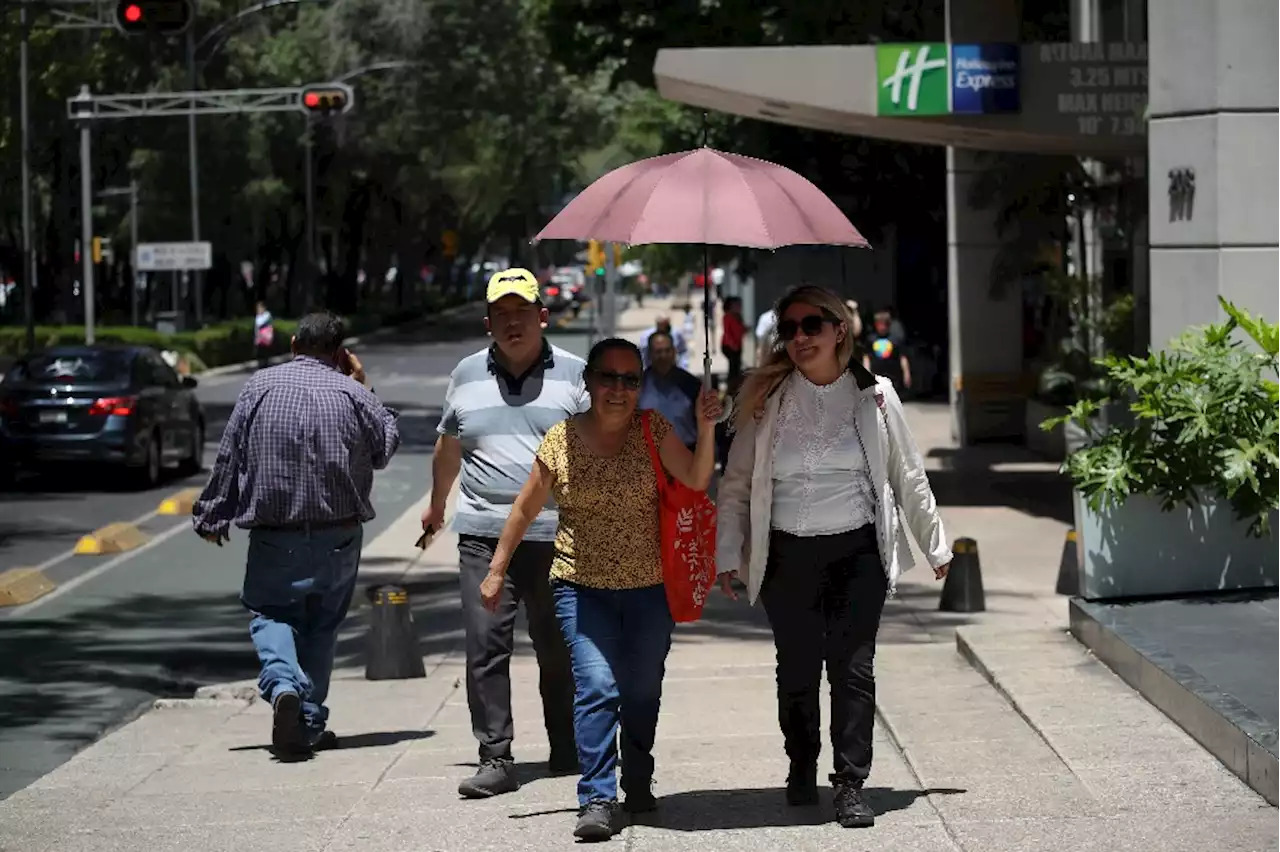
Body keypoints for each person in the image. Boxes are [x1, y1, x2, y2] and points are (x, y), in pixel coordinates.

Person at [716, 285, 952, 829]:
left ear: (839, 329)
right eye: (789, 328)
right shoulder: (765, 400)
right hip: (785, 555)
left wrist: (934, 543)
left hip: (856, 551)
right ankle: (802, 762)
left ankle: (850, 783)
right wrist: (729, 553)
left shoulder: (875, 395)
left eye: (811, 326)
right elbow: (736, 485)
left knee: (853, 669)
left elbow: (907, 475)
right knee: (796, 671)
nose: (798, 337)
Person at [483, 338, 721, 841]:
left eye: (630, 379)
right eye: (608, 378)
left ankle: (637, 774)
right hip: (579, 586)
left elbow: (697, 481)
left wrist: (705, 427)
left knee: (641, 691)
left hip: (650, 589)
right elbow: (525, 509)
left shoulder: (654, 430)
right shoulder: (560, 440)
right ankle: (596, 797)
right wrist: (497, 568)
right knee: (596, 687)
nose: (619, 389)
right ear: (588, 381)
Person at [193, 311, 401, 756]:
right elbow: (384, 447)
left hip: (275, 533)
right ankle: (308, 720)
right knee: (322, 627)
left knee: (271, 613)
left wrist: (213, 515)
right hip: (339, 535)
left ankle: (284, 683)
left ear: (292, 345)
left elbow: (230, 455)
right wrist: (364, 385)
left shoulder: (259, 387)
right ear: (341, 354)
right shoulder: (352, 393)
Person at [422, 267, 586, 799]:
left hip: (556, 536)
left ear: (543, 315)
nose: (512, 323)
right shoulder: (465, 374)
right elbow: (449, 445)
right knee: (484, 645)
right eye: (501, 314)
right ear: (487, 321)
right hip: (482, 534)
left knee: (557, 646)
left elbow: (599, 449)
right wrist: (436, 506)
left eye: (522, 313)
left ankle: (567, 745)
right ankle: (496, 756)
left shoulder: (576, 374)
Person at [638, 330, 702, 450]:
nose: (663, 356)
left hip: (686, 453)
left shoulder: (691, 384)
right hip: (650, 456)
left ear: (674, 352)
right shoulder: (638, 386)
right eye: (658, 352)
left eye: (667, 350)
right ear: (650, 354)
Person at [863, 306, 911, 394]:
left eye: (885, 324)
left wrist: (906, 373)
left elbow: (902, 357)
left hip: (893, 376)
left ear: (889, 324)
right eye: (879, 324)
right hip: (876, 375)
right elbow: (866, 356)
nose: (882, 327)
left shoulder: (895, 340)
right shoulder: (871, 339)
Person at [721, 296, 746, 385]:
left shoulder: (738, 317)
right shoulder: (727, 317)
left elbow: (740, 330)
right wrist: (733, 345)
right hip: (729, 346)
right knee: (733, 367)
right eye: (737, 305)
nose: (739, 307)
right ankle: (731, 385)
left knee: (737, 366)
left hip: (738, 345)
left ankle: (736, 385)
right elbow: (727, 333)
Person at [253, 301, 274, 370]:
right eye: (258, 308)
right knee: (259, 353)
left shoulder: (267, 315)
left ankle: (265, 365)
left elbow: (261, 324)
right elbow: (256, 328)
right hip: (259, 338)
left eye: (260, 308)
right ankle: (261, 365)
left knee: (266, 353)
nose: (259, 309)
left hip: (266, 338)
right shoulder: (258, 316)